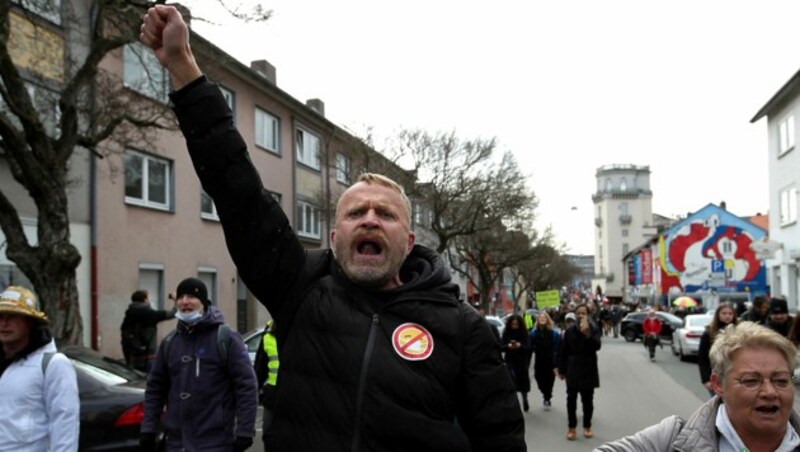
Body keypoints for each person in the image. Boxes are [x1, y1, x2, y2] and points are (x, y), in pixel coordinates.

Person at [139, 6, 525, 451]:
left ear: (410, 241)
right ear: (335, 237)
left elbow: (502, 439)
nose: (370, 218)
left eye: (386, 213)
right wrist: (183, 66)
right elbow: (236, 187)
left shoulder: (461, 326)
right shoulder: (300, 286)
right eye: (356, 212)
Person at [596, 321, 800, 451]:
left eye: (780, 380)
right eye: (751, 381)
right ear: (718, 384)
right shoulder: (672, 439)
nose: (770, 392)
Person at [140, 277, 257, 452]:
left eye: (191, 297)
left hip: (215, 442)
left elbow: (246, 385)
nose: (185, 302)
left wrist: (245, 430)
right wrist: (148, 428)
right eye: (180, 297)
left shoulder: (226, 338)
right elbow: (155, 388)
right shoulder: (170, 342)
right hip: (177, 443)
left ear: (204, 302)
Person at [0, 285, 80, 451]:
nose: (4, 323)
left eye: (13, 317)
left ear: (30, 322)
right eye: (0, 317)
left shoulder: (53, 364)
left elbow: (65, 423)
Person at [558, 303, 601, 441]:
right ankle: (572, 428)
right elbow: (564, 352)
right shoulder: (569, 331)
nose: (581, 315)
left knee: (587, 401)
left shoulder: (593, 329)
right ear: (575, 315)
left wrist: (587, 334)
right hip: (573, 369)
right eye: (578, 313)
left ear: (588, 315)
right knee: (571, 400)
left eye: (583, 313)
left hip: (588, 369)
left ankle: (587, 426)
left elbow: (597, 346)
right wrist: (562, 369)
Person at [120, 289, 175, 372]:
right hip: (148, 357)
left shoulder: (129, 313)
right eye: (148, 298)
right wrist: (176, 300)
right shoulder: (149, 314)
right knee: (149, 381)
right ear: (145, 300)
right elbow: (173, 313)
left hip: (133, 356)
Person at [697, 302, 738, 397]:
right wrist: (706, 379)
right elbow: (702, 358)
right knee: (720, 403)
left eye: (730, 313)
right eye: (724, 313)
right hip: (717, 374)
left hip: (735, 374)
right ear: (718, 315)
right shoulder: (709, 333)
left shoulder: (739, 331)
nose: (727, 316)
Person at [254, 319, 279, 451]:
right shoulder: (269, 328)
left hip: (297, 397)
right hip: (272, 397)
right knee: (270, 436)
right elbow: (260, 366)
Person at [529, 311, 560, 410]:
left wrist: (557, 362)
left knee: (549, 380)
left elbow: (557, 347)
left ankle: (547, 397)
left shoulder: (554, 333)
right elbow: (530, 346)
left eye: (544, 318)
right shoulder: (533, 333)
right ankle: (545, 393)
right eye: (540, 318)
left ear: (547, 320)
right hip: (539, 360)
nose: (542, 319)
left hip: (550, 360)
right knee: (538, 378)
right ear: (538, 320)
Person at [501, 314, 532, 412]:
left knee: (523, 384)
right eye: (513, 324)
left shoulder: (524, 333)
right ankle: (513, 403)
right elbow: (501, 346)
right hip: (510, 360)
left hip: (522, 361)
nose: (514, 326)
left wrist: (520, 345)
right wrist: (508, 346)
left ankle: (525, 400)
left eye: (516, 324)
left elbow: (528, 347)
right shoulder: (506, 333)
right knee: (511, 382)